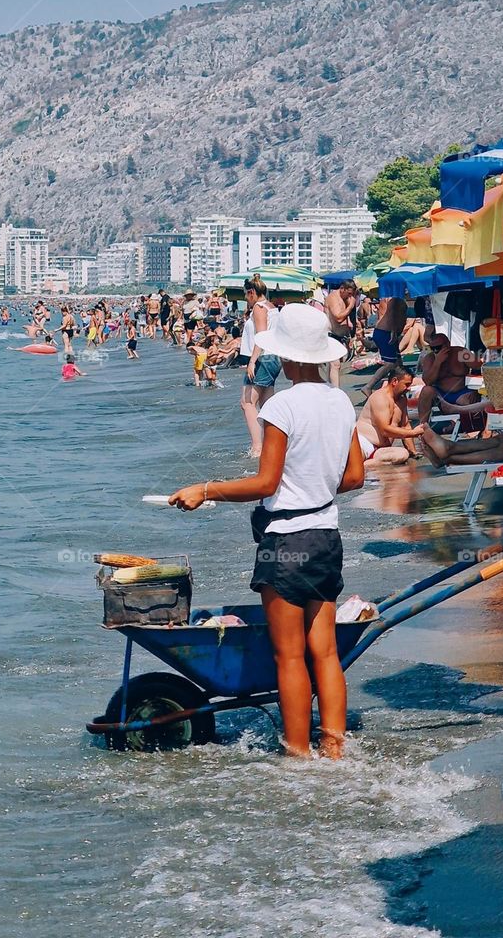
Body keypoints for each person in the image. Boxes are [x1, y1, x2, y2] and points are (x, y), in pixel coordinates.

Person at [170, 304, 364, 759]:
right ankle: (333, 747)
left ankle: (297, 752)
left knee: (290, 656)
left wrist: (205, 489)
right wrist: (315, 480)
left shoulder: (281, 405)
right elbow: (354, 477)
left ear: (286, 356)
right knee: (326, 653)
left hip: (287, 542)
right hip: (326, 535)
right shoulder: (340, 400)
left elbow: (265, 484)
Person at [239, 277, 281, 458]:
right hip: (273, 358)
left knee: (247, 403)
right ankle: (274, 445)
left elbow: (261, 335)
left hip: (263, 358)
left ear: (251, 293)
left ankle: (257, 448)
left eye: (246, 295)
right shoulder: (272, 307)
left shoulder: (259, 307)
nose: (246, 300)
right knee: (267, 406)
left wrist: (252, 361)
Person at [356, 366, 421, 466]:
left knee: (403, 454)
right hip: (364, 443)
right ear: (395, 381)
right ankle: (360, 465)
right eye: (406, 384)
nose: (408, 389)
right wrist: (414, 433)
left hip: (380, 450)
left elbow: (405, 425)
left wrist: (413, 452)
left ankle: (365, 464)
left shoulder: (402, 400)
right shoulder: (380, 397)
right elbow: (384, 430)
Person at [415, 333, 481, 426]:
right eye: (432, 348)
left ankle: (463, 425)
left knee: (468, 401)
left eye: (438, 347)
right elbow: (428, 381)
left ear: (448, 344)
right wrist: (437, 362)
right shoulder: (429, 358)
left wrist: (477, 390)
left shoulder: (462, 352)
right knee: (426, 391)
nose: (436, 351)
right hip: (441, 394)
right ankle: (423, 426)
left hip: (462, 392)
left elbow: (480, 367)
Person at [325, 281, 356, 388]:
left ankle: (328, 387)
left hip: (341, 336)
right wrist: (350, 307)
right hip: (331, 335)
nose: (350, 297)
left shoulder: (344, 298)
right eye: (349, 294)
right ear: (342, 289)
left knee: (335, 365)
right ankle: (336, 391)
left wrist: (349, 322)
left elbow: (343, 313)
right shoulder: (333, 298)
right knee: (335, 364)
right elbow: (338, 317)